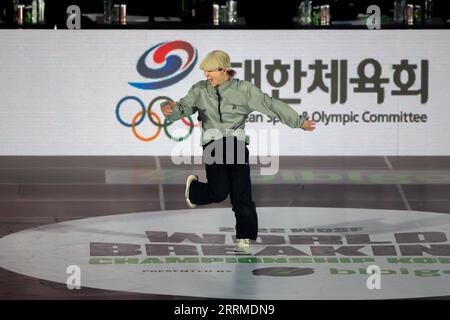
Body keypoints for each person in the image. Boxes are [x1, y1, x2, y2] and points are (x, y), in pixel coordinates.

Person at [161, 50, 316, 253]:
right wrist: (169, 109)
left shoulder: (243, 90)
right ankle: (195, 191)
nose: (206, 76)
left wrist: (298, 122)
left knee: (241, 192)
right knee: (218, 192)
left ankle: (244, 236)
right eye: (204, 72)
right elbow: (182, 108)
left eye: (210, 71)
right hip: (213, 143)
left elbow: (270, 104)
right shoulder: (199, 90)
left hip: (235, 143)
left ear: (224, 69)